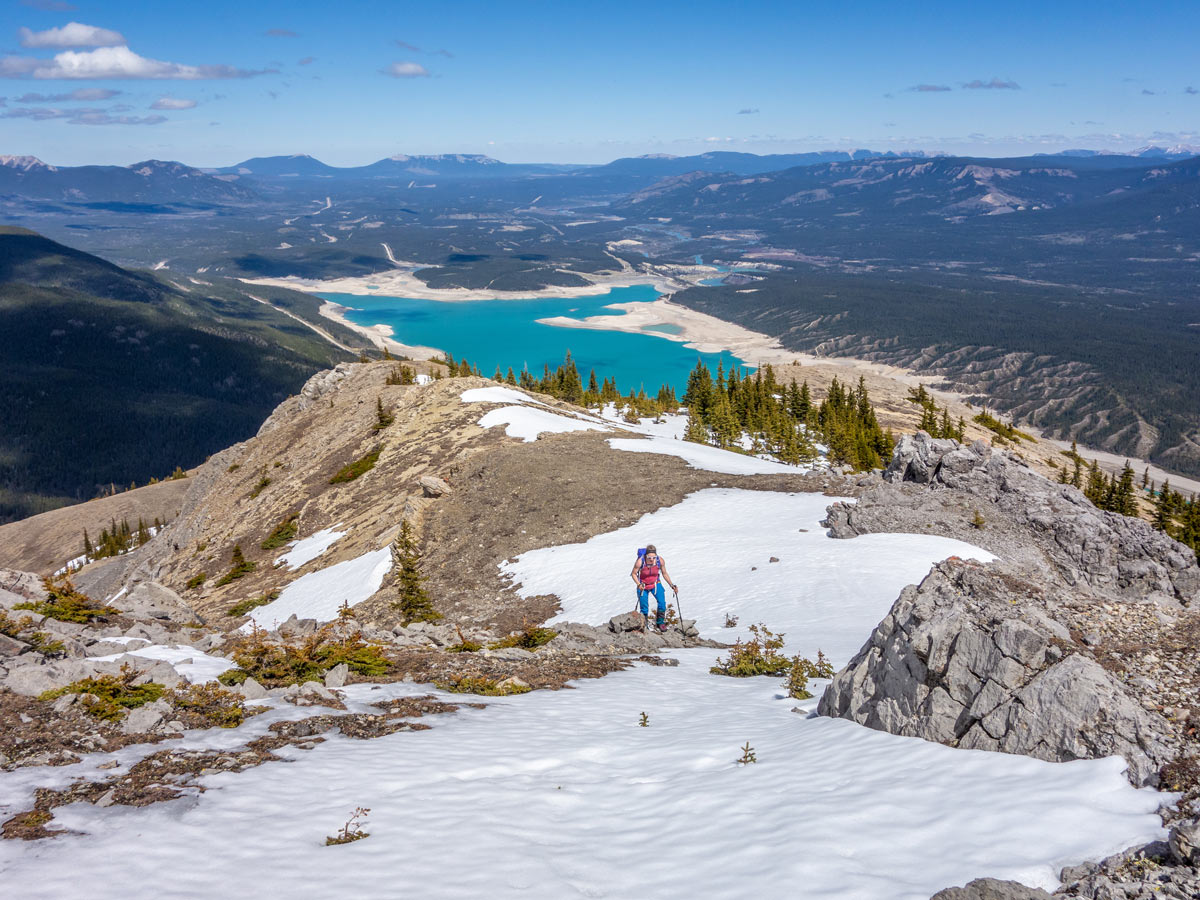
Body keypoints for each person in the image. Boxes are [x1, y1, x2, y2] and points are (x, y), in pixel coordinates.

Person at [630, 544, 677, 633]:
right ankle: (645, 624)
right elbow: (633, 574)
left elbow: (664, 573)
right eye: (649, 557)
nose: (652, 559)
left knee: (662, 603)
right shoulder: (640, 562)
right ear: (645, 556)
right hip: (643, 585)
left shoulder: (660, 561)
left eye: (654, 557)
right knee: (644, 607)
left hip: (655, 583)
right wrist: (638, 584)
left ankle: (660, 622)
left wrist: (672, 585)